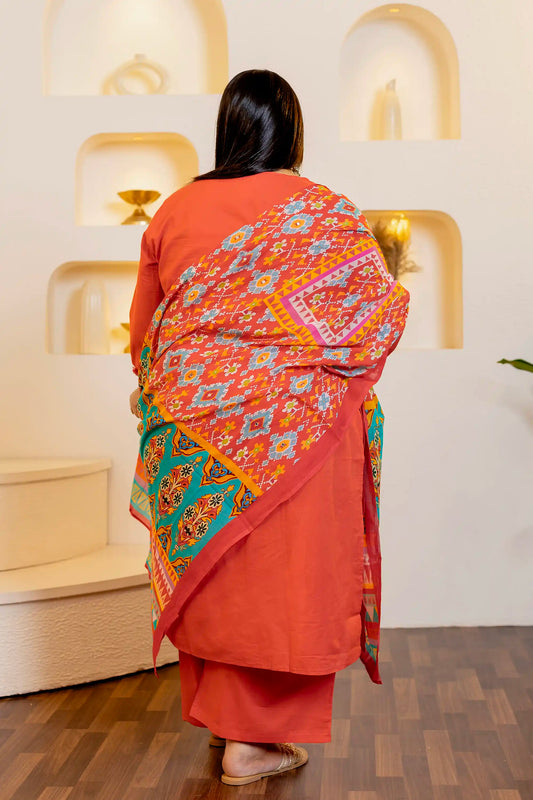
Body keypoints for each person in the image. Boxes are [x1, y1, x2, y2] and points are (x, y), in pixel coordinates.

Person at [128, 69, 409, 786]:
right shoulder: (326, 213)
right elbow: (373, 314)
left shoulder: (175, 209)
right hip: (298, 432)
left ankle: (230, 727)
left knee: (217, 571)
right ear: (293, 132)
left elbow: (146, 335)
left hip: (194, 433)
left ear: (227, 128)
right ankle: (255, 744)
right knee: (284, 580)